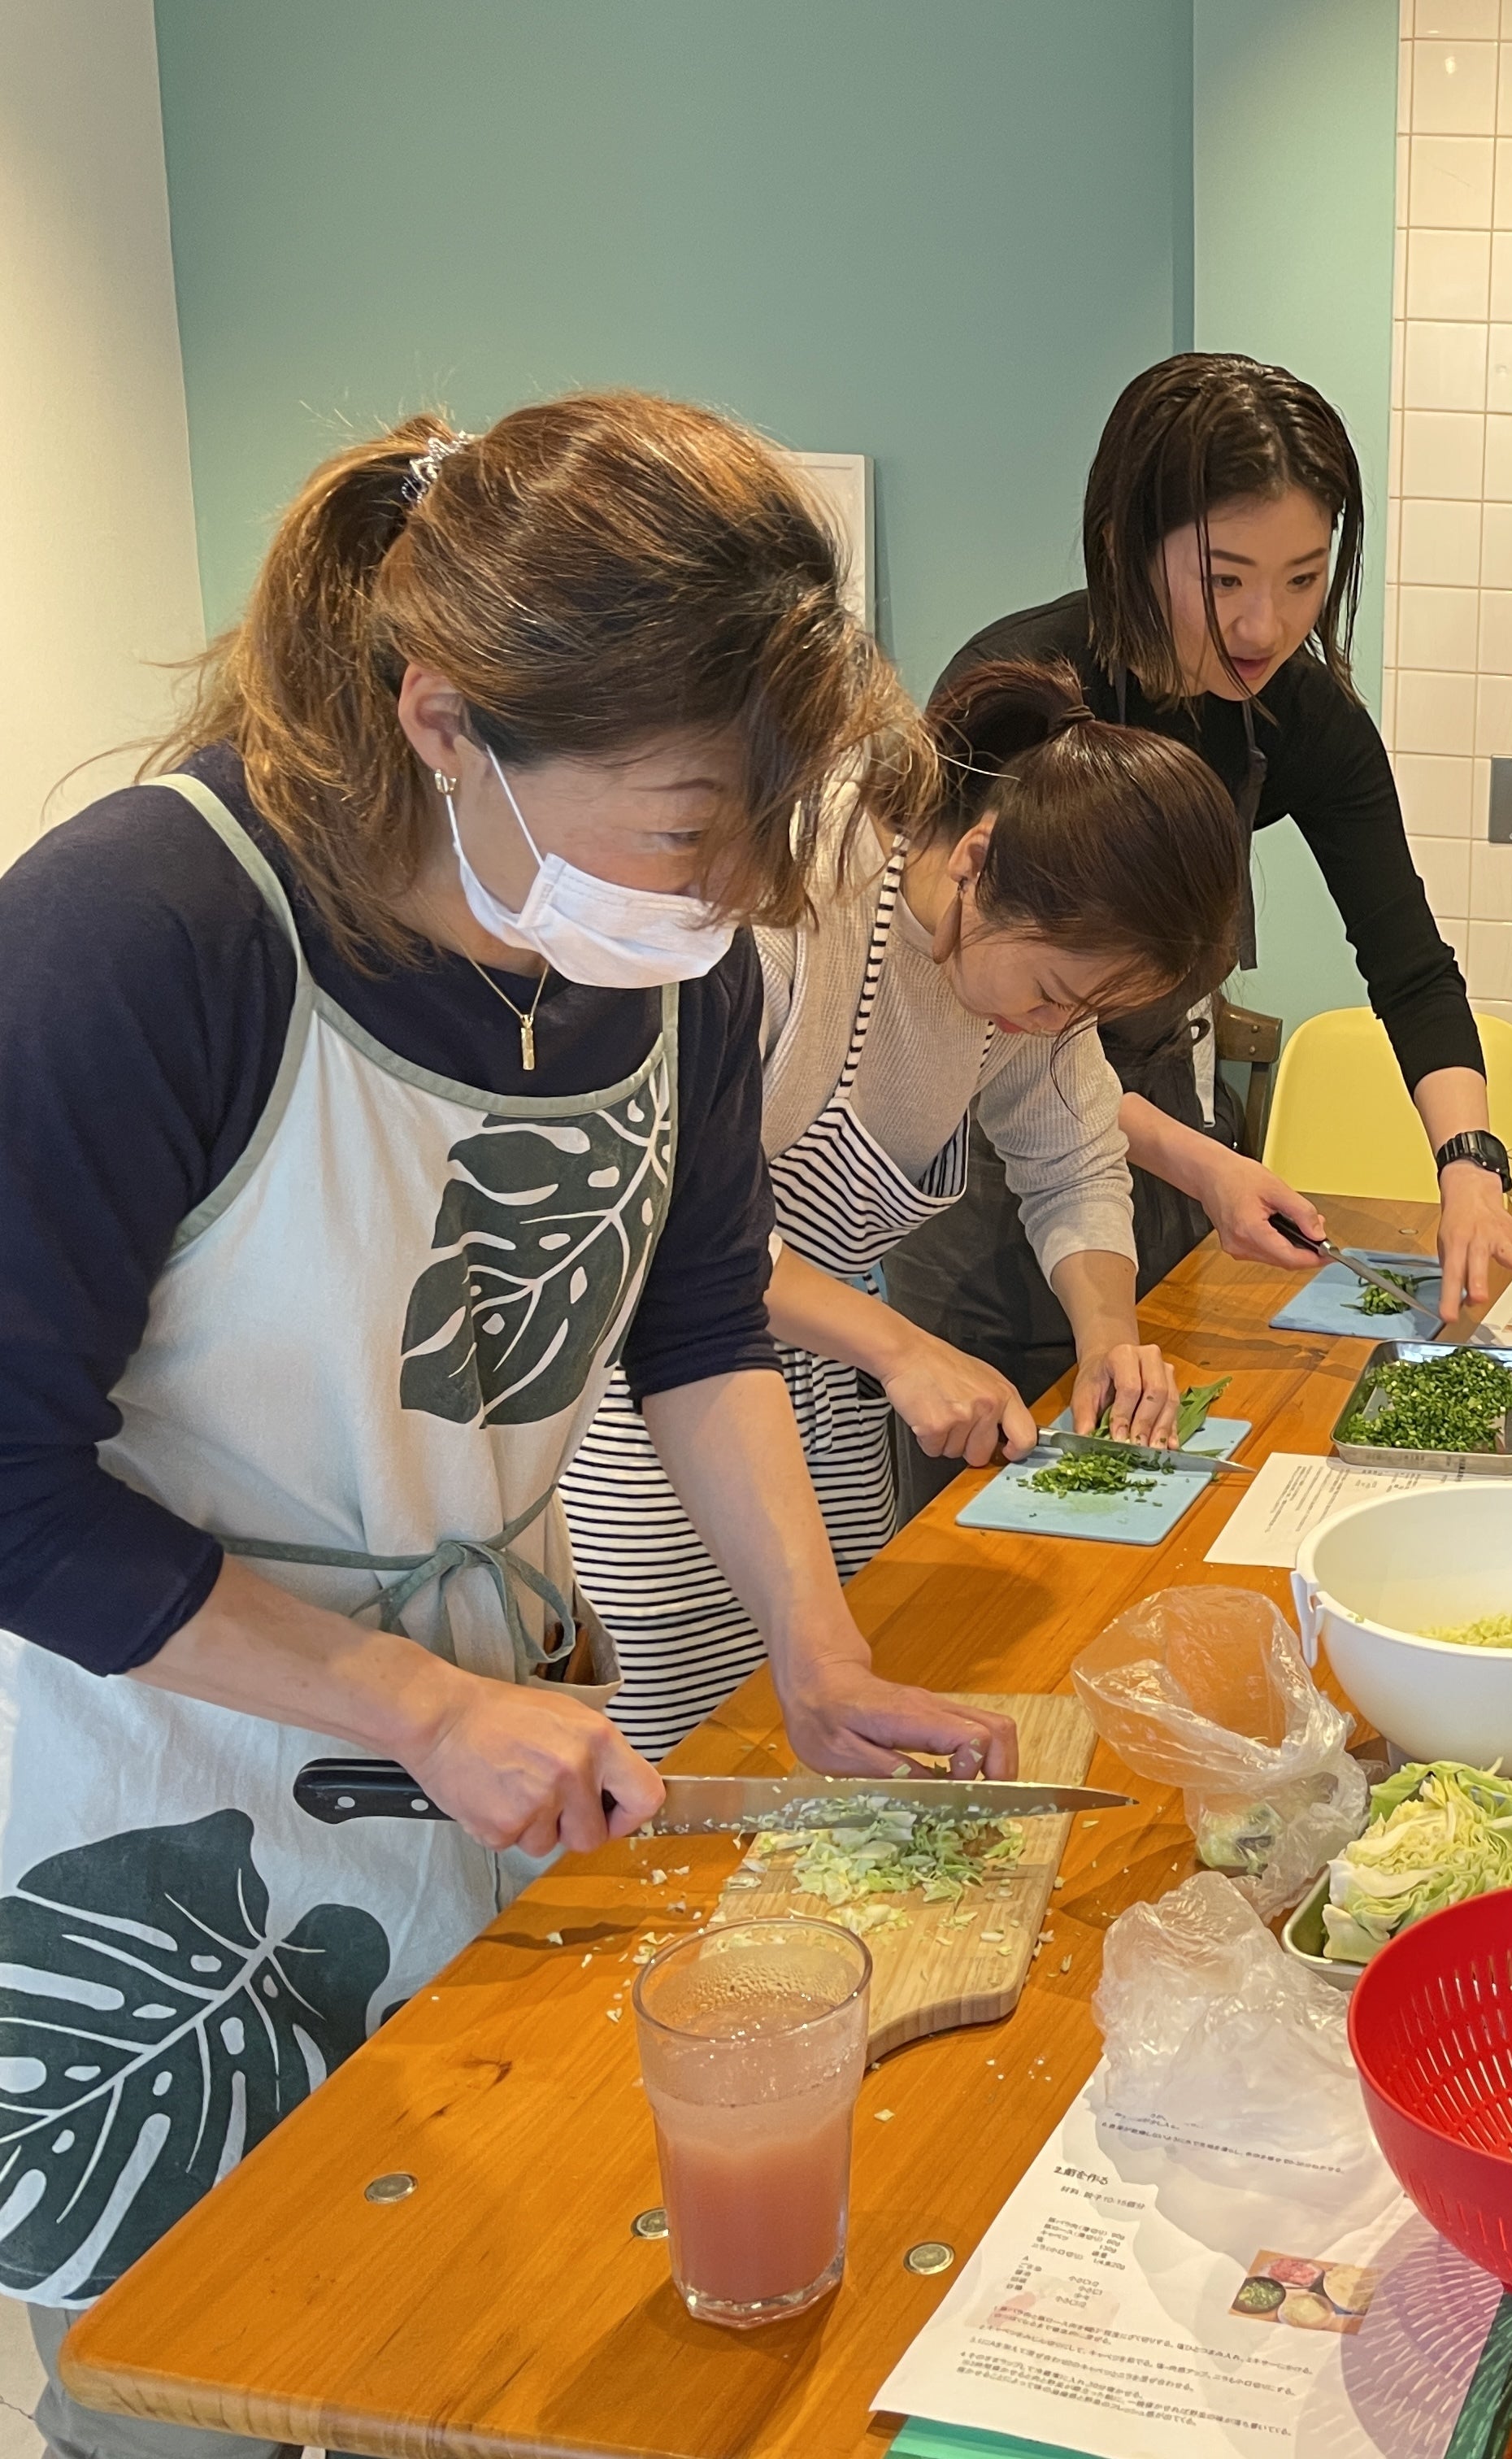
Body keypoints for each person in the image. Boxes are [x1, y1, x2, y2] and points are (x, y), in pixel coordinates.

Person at [0, 396, 1015, 2439]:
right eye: (683, 824)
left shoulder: (673, 971)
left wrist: (818, 1659)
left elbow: (699, 1330)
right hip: (161, 1775)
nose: (728, 895)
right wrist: (413, 1703)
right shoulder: (145, 935)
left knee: (481, 2318)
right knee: (204, 2368)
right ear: (446, 720)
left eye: (763, 833)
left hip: (499, 1770)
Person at [563, 659, 1246, 1756]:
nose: (1050, 1025)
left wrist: (1110, 1343)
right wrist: (900, 1347)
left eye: (1085, 1013)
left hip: (835, 1421)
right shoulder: (792, 901)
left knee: (851, 1748)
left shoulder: (1021, 972)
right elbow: (670, 1233)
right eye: (1053, 994)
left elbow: (1073, 1157)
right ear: (975, 859)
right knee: (699, 1777)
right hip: (668, 1437)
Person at [885, 355, 1512, 1426]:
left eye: (1303, 579)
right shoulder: (1019, 695)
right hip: (988, 1169)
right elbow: (983, 1023)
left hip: (1157, 1159)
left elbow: (1411, 963)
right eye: (1225, 579)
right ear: (1127, 543)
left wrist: (1469, 1168)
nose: (1263, 627)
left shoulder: (1305, 718)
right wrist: (1202, 1163)